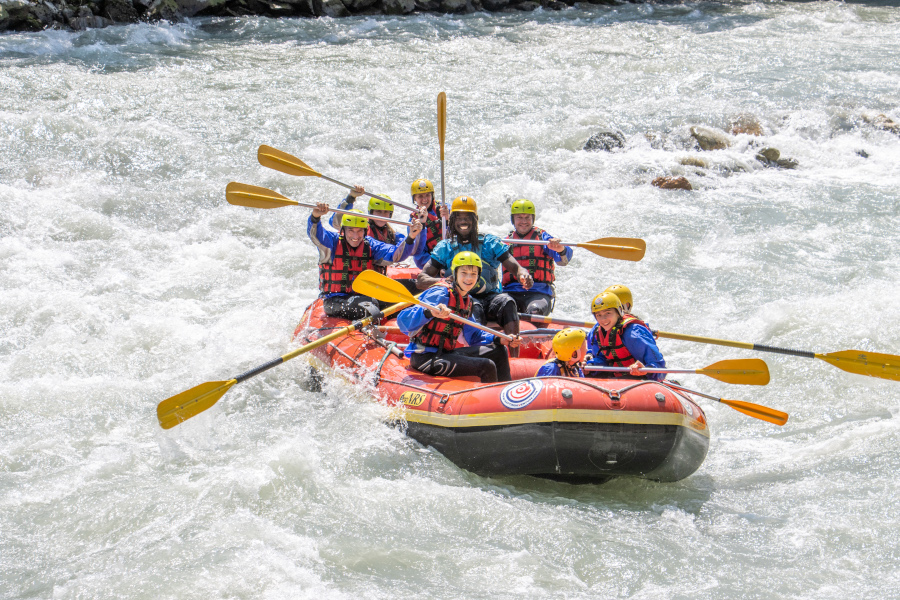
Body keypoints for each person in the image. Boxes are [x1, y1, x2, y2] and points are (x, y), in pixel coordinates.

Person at [416, 196, 533, 350]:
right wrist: (444, 282)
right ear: (452, 221)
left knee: (507, 302)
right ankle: (478, 354)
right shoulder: (445, 247)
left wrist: (523, 275)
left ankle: (513, 357)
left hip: (491, 297)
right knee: (473, 307)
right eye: (458, 218)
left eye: (467, 217)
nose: (463, 222)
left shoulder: (490, 243)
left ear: (475, 219)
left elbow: (516, 268)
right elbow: (421, 279)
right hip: (463, 299)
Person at [398, 252, 521, 383]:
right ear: (455, 273)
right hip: (425, 357)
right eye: (464, 273)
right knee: (486, 365)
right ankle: (493, 400)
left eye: (474, 274)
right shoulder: (439, 293)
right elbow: (402, 321)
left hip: (446, 354)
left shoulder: (467, 301)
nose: (469, 278)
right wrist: (429, 313)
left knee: (499, 350)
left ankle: (505, 393)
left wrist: (498, 339)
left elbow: (474, 335)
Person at [308, 203, 423, 320]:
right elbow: (316, 235)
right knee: (368, 305)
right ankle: (371, 333)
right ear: (343, 230)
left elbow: (395, 255)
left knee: (415, 287)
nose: (355, 236)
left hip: (367, 295)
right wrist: (315, 217)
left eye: (359, 231)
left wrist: (411, 237)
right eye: (350, 230)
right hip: (335, 299)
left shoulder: (371, 245)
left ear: (365, 231)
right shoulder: (331, 243)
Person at [502, 199, 573, 316]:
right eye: (519, 217)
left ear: (532, 219)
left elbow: (563, 261)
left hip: (538, 292)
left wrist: (560, 249)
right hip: (510, 292)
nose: (524, 221)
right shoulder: (505, 242)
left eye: (527, 218)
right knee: (500, 308)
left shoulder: (543, 238)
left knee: (535, 310)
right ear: (513, 220)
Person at [585, 292, 666, 381]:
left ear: (619, 311)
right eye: (598, 315)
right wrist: (590, 366)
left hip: (637, 379)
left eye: (608, 313)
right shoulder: (598, 332)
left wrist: (646, 369)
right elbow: (602, 359)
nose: (603, 319)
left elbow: (659, 366)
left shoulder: (633, 332)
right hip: (614, 376)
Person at [409, 178, 445, 269]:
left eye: (428, 195)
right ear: (415, 198)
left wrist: (448, 219)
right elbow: (418, 253)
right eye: (420, 196)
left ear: (432, 195)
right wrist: (437, 266)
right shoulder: (413, 221)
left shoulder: (444, 209)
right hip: (432, 263)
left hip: (450, 257)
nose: (425, 199)